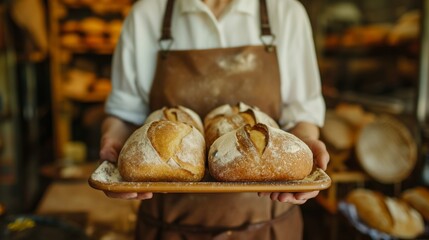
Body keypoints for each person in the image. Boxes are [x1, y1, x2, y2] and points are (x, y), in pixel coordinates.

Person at [99, 0, 330, 239]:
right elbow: (124, 114)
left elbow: (302, 114)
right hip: (168, 226)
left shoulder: (284, 12)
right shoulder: (147, 14)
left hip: (268, 225)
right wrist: (114, 140)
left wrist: (304, 143)